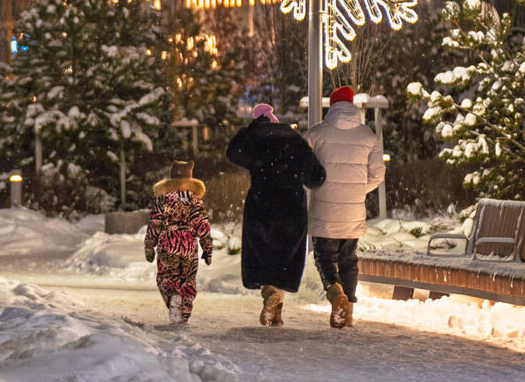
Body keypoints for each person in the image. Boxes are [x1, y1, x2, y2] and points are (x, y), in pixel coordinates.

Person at [226, 103, 325, 327]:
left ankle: (270, 295)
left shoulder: (255, 141)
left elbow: (232, 153)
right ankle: (276, 308)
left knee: (264, 259)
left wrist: (250, 130)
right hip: (291, 209)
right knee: (284, 262)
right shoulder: (296, 141)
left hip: (261, 208)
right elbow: (317, 178)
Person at [304, 85, 386, 328]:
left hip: (324, 210)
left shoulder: (316, 133)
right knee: (349, 259)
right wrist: (357, 189)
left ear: (332, 106)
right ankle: (347, 310)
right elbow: (378, 173)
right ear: (352, 106)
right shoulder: (367, 136)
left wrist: (316, 186)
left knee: (324, 258)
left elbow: (302, 167)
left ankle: (335, 293)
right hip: (353, 210)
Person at [144, 160, 213, 323]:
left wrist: (149, 246)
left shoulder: (163, 200)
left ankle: (172, 297)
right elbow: (202, 225)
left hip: (168, 242)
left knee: (167, 277)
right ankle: (185, 311)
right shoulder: (196, 200)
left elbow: (155, 224)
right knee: (188, 279)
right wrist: (207, 248)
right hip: (189, 244)